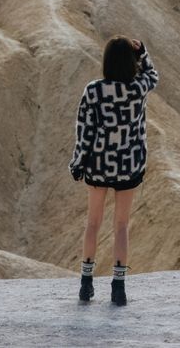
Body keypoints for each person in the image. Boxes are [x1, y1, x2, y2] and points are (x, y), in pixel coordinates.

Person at [68, 35, 159, 306]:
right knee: (121, 226)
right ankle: (118, 288)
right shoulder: (138, 87)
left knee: (93, 223)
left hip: (98, 164)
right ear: (131, 63)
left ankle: (86, 284)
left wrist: (78, 163)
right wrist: (142, 52)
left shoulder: (93, 91)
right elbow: (153, 74)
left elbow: (84, 131)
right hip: (129, 165)